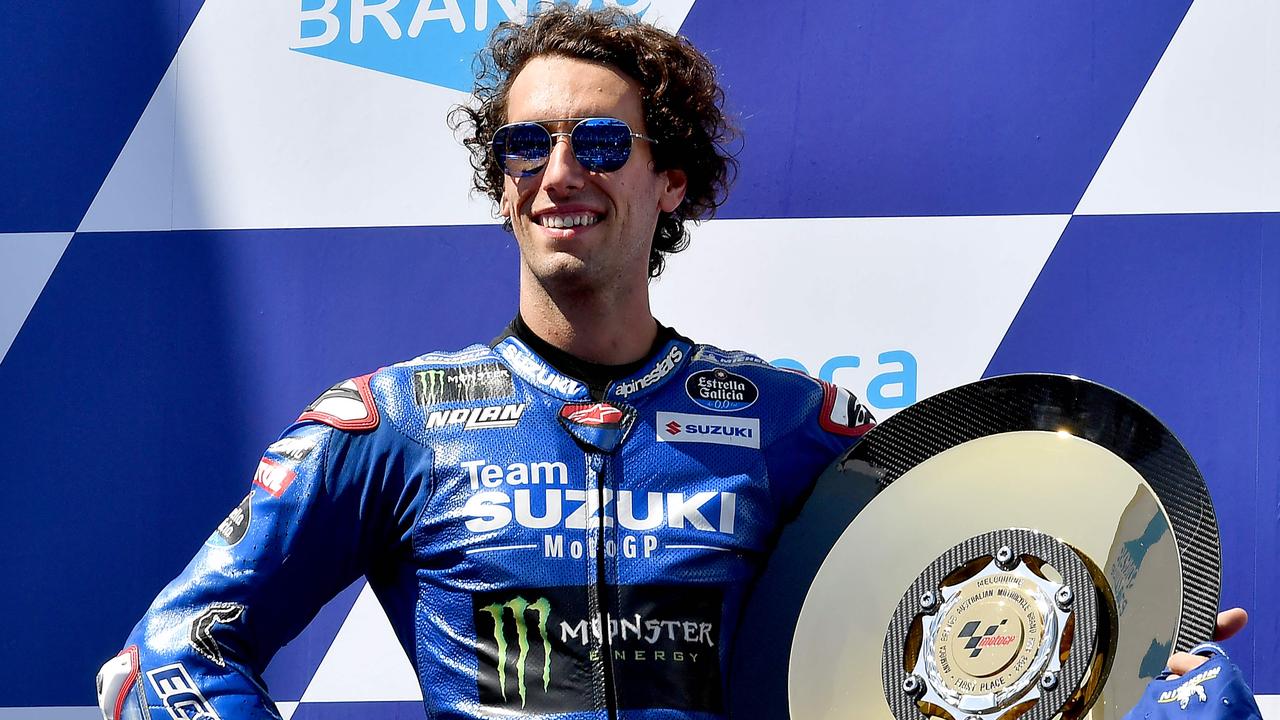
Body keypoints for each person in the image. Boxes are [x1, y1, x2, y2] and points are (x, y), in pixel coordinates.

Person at [95, 6, 1244, 720]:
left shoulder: (798, 424)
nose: (559, 172)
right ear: (498, 186)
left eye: (600, 143)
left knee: (1198, 696)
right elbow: (177, 647)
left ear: (672, 182)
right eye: (524, 145)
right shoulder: (392, 425)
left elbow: (957, 631)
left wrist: (1127, 639)